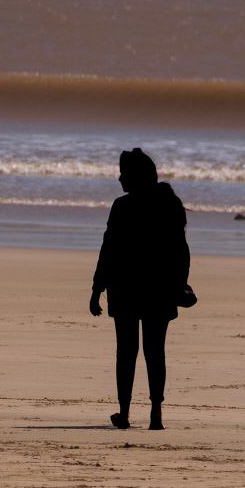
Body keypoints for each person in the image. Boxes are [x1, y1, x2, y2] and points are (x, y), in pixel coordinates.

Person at [89, 148, 190, 430]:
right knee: (155, 352)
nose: (120, 178)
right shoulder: (169, 204)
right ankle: (156, 413)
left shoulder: (122, 206)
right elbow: (181, 252)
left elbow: (108, 250)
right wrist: (180, 285)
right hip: (160, 289)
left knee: (126, 352)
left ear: (136, 176)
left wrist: (97, 289)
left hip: (125, 288)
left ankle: (124, 413)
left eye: (124, 173)